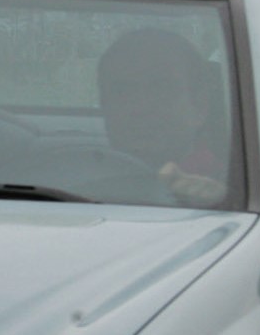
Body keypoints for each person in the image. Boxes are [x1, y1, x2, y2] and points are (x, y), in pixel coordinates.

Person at [97, 28, 228, 207]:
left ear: (200, 107)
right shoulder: (74, 182)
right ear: (104, 106)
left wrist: (216, 203)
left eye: (161, 89)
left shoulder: (236, 192)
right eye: (123, 91)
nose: (140, 108)